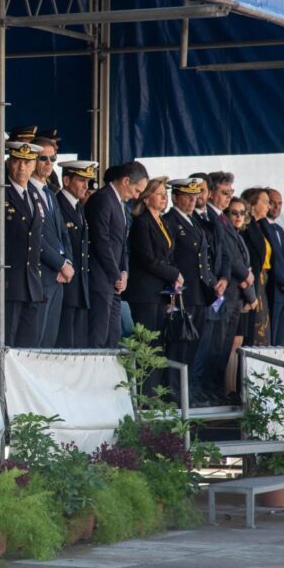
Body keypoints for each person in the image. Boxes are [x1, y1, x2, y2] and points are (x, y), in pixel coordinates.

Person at [164, 177, 220, 403]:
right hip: (181, 293)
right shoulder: (170, 220)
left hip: (198, 292)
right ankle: (174, 392)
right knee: (178, 345)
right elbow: (168, 257)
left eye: (194, 196)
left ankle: (185, 392)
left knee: (193, 346)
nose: (191, 200)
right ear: (175, 197)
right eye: (187, 196)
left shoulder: (193, 221)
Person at [86, 161, 148, 348]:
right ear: (126, 181)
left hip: (114, 282)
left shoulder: (121, 204)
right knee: (98, 336)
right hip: (100, 279)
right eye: (136, 190)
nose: (136, 196)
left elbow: (122, 244)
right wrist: (116, 275)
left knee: (113, 336)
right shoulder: (102, 198)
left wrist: (124, 273)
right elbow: (101, 241)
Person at [204, 172, 251, 400]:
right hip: (223, 291)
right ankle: (209, 390)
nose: (228, 197)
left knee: (224, 347)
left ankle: (215, 390)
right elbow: (228, 256)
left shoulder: (222, 219)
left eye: (231, 193)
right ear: (212, 193)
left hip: (234, 293)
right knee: (216, 344)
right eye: (224, 193)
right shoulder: (212, 218)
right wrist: (245, 274)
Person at [29, 130, 73, 348]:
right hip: (42, 275)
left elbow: (62, 233)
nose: (49, 163)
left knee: (49, 340)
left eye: (53, 158)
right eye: (43, 158)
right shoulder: (27, 190)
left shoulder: (50, 192)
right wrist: (60, 263)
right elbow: (35, 237)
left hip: (58, 278)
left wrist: (68, 262)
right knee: (35, 339)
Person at [125, 177, 181, 334]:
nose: (165, 197)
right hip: (144, 293)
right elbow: (147, 259)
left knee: (157, 344)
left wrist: (174, 280)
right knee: (146, 343)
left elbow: (169, 256)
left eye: (165, 193)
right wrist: (174, 273)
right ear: (146, 198)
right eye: (159, 194)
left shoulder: (163, 222)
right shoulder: (141, 222)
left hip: (160, 292)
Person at [3, 140, 45, 346]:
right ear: (9, 162)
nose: (22, 167)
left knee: (29, 346)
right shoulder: (1, 191)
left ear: (34, 165)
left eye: (27, 163)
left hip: (32, 284)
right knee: (8, 344)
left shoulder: (34, 194)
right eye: (17, 161)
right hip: (10, 282)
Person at [55, 160, 97, 348]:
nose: (86, 185)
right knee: (65, 343)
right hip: (64, 286)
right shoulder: (57, 203)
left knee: (77, 345)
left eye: (87, 180)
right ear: (66, 180)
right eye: (81, 180)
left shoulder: (78, 207)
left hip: (80, 287)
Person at [224, 197, 258, 396]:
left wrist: (249, 289)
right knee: (229, 346)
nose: (238, 217)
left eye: (242, 213)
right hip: (232, 295)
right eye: (233, 213)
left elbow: (247, 268)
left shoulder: (239, 235)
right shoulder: (228, 234)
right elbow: (237, 266)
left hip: (241, 297)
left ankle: (231, 391)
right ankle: (227, 391)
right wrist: (250, 292)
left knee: (236, 344)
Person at [240, 188, 273, 346]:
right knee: (255, 328)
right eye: (265, 202)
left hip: (261, 280)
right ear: (252, 204)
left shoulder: (260, 226)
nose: (269, 206)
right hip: (251, 282)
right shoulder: (246, 227)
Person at [265, 189, 284, 345]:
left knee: (280, 341)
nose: (276, 207)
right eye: (272, 203)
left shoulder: (279, 229)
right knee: (271, 340)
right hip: (273, 290)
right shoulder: (261, 226)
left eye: (279, 203)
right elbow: (274, 261)